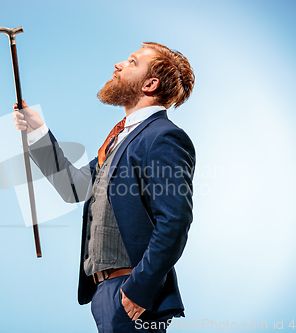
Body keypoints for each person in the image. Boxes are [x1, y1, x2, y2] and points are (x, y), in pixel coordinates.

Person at [12, 42, 195, 333]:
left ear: (150, 83)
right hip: (105, 293)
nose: (118, 65)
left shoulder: (164, 137)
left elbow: (174, 221)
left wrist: (139, 290)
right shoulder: (118, 141)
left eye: (132, 62)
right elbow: (74, 187)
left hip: (131, 294)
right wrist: (38, 132)